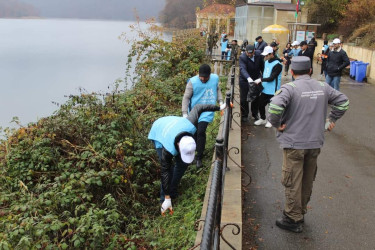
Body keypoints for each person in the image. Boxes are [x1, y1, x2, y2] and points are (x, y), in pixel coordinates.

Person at [267, 56, 349, 233]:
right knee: (306, 179)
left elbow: (274, 108)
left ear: (291, 72)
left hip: (294, 144)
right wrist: (331, 120)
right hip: (315, 143)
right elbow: (344, 102)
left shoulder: (290, 88)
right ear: (310, 71)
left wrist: (277, 124)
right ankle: (300, 212)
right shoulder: (322, 86)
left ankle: (292, 218)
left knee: (292, 180)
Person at [148, 104, 221, 215]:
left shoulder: (190, 125)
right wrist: (167, 198)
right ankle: (164, 200)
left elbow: (199, 107)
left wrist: (219, 107)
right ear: (178, 145)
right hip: (159, 129)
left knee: (182, 164)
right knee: (169, 170)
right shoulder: (168, 149)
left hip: (175, 124)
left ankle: (173, 190)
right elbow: (164, 172)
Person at [182, 64, 225, 169]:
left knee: (201, 132)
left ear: (210, 75)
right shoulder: (192, 82)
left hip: (207, 110)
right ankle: (191, 155)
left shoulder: (214, 79)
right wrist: (184, 113)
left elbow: (217, 90)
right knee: (194, 132)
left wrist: (220, 102)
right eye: (201, 77)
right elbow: (186, 97)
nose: (203, 79)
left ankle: (199, 157)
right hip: (194, 111)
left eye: (205, 77)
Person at [253, 46, 282, 128]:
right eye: (264, 55)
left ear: (271, 54)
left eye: (266, 55)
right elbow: (265, 73)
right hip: (265, 89)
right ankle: (263, 118)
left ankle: (271, 121)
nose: (265, 57)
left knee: (271, 107)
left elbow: (272, 78)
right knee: (261, 104)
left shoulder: (278, 65)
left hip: (273, 90)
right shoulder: (266, 62)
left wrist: (260, 80)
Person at [239, 44, 264, 122]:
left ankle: (255, 113)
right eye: (248, 53)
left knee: (256, 97)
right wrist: (248, 78)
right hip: (245, 79)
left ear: (254, 51)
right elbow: (242, 69)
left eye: (251, 53)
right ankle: (245, 114)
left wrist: (263, 77)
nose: (250, 54)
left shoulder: (258, 55)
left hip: (256, 78)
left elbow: (262, 66)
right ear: (246, 52)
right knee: (244, 98)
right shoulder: (242, 57)